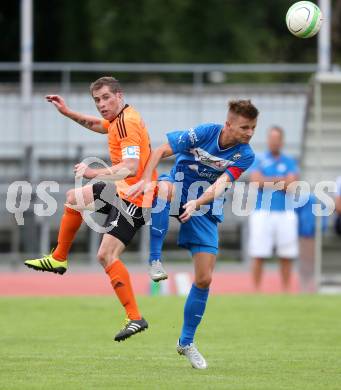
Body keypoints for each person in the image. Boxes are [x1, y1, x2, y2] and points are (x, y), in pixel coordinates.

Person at [24, 76, 159, 341]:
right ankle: (59, 258)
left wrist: (93, 172)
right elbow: (99, 125)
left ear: (119, 95)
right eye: (97, 100)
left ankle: (135, 318)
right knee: (74, 198)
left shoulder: (128, 123)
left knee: (105, 256)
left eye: (106, 97)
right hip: (122, 190)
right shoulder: (119, 119)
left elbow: (131, 167)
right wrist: (67, 112)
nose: (101, 104)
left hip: (135, 198)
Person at [129, 100, 259, 369]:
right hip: (175, 185)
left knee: (204, 278)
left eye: (253, 128)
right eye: (245, 127)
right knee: (164, 190)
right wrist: (146, 179)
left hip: (203, 206)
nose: (249, 133)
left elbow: (222, 183)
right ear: (229, 125)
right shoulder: (204, 132)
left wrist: (197, 203)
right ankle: (155, 260)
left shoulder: (245, 155)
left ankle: (186, 342)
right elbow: (162, 149)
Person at [248, 126, 299, 292]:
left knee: (287, 253)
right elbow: (256, 181)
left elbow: (291, 186)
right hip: (262, 211)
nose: (274, 142)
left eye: (277, 139)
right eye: (272, 139)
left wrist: (268, 181)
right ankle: (256, 290)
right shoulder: (259, 159)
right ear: (268, 140)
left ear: (282, 141)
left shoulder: (289, 161)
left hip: (286, 212)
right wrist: (281, 181)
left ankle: (285, 290)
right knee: (259, 252)